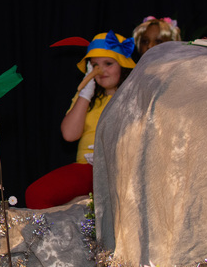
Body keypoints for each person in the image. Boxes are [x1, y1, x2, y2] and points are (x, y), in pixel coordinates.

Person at [25, 31, 135, 210]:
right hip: (87, 168)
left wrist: (109, 153)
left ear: (123, 66)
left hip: (122, 171)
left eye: (108, 63)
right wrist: (85, 93)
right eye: (94, 65)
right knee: (36, 194)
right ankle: (67, 224)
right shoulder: (87, 97)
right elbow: (69, 135)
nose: (101, 70)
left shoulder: (136, 96)